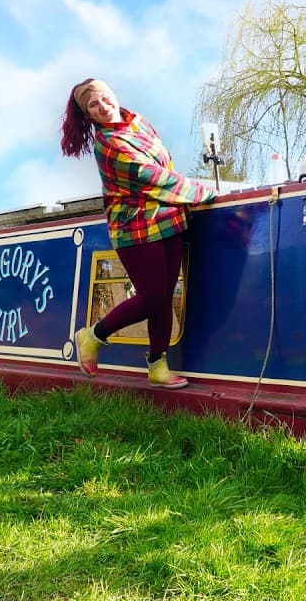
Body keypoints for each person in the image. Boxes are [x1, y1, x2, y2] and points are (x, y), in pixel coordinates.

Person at [60, 78, 217, 388]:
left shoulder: (138, 123)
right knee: (153, 295)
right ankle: (92, 336)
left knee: (164, 298)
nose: (103, 107)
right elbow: (151, 177)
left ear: (113, 94)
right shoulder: (107, 143)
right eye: (94, 105)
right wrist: (200, 192)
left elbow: (165, 161)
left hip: (168, 218)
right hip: (135, 226)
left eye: (104, 98)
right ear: (88, 114)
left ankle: (158, 366)